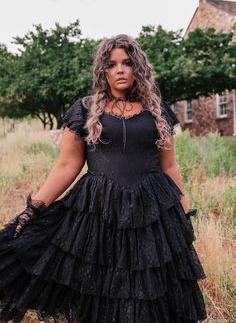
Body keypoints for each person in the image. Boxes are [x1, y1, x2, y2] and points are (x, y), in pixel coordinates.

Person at [0, 34, 207, 323]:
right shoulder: (85, 109)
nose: (120, 69)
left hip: (151, 212)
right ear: (103, 71)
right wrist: (34, 208)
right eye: (112, 65)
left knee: (147, 290)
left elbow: (170, 167)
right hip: (98, 210)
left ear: (138, 68)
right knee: (100, 290)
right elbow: (67, 165)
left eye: (127, 63)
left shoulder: (157, 110)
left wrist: (183, 215)